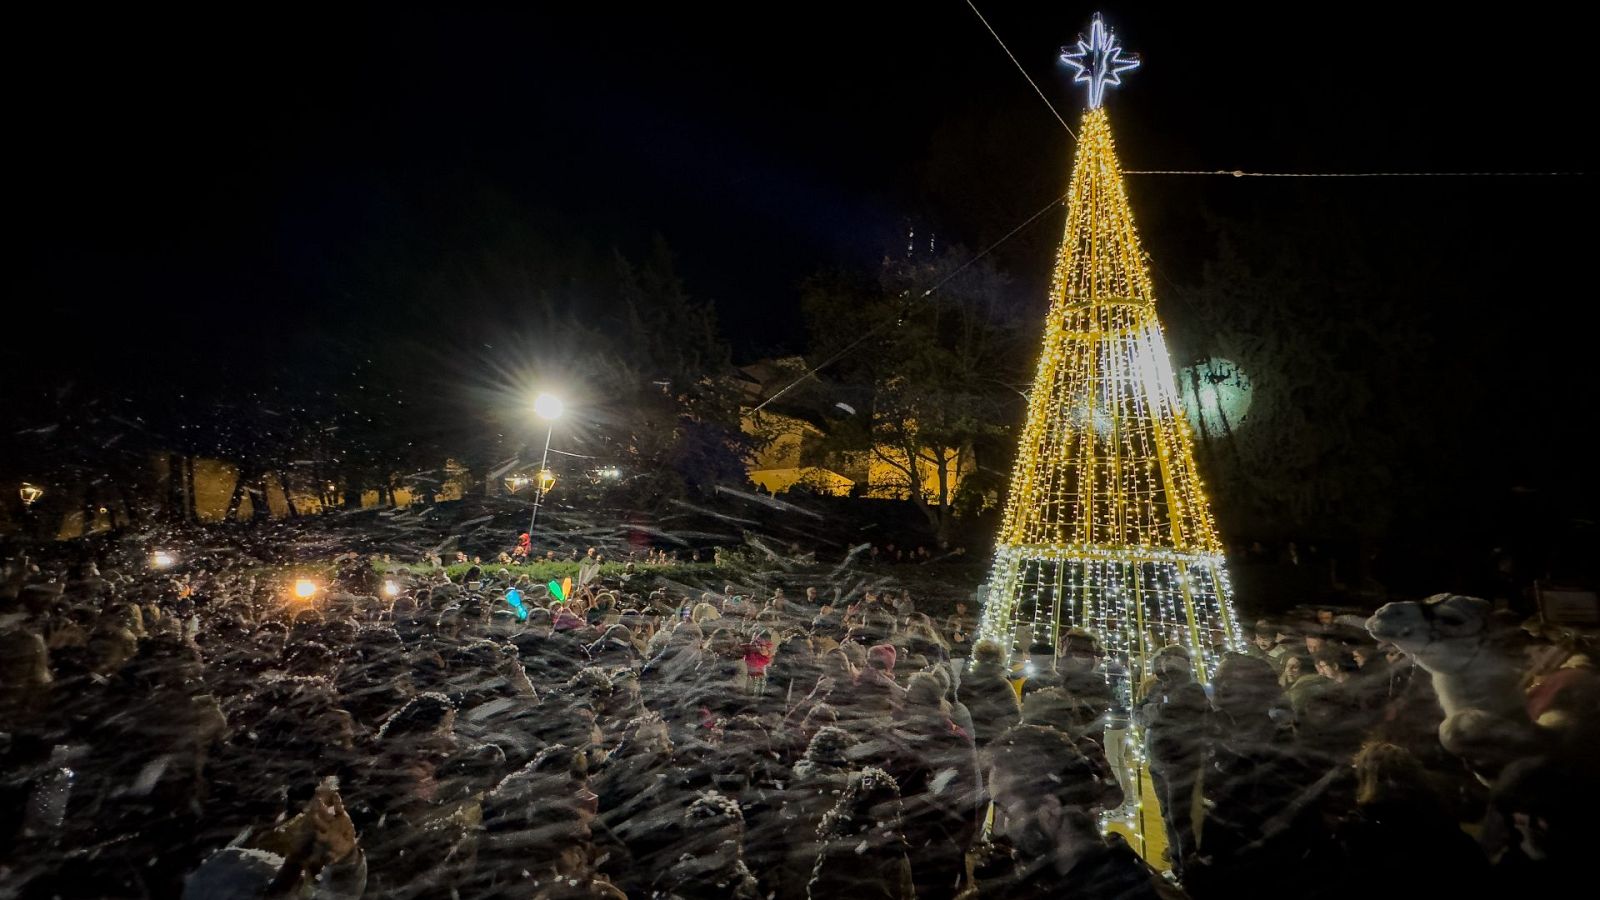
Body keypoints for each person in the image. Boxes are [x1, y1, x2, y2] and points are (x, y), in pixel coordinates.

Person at [968, 724, 1163, 899]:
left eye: (1005, 810)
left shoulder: (1104, 890)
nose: (1001, 826)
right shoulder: (1115, 871)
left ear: (1051, 810)